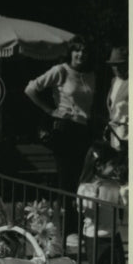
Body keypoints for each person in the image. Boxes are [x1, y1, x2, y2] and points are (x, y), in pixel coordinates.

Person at [24, 37, 95, 194]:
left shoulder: (91, 75)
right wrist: (50, 110)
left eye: (85, 51)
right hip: (65, 129)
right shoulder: (60, 70)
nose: (81, 54)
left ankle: (80, 218)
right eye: (77, 50)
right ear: (71, 52)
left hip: (84, 131)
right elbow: (30, 89)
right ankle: (65, 217)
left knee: (82, 180)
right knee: (66, 180)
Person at [105, 45, 128, 156]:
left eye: (121, 64)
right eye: (114, 65)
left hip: (127, 136)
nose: (117, 68)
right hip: (113, 134)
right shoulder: (113, 81)